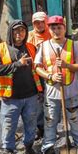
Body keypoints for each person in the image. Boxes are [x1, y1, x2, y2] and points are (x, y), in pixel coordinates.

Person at [34, 15, 78, 154]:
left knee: (75, 120)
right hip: (52, 92)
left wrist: (67, 66)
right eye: (53, 28)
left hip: (72, 92)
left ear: (64, 28)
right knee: (50, 121)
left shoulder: (73, 45)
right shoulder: (43, 46)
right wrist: (50, 75)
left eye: (59, 27)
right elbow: (37, 67)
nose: (56, 30)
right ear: (49, 29)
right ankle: (48, 148)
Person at [0, 20, 42, 154]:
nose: (19, 34)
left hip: (31, 96)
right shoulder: (0, 49)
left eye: (22, 31)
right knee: (8, 126)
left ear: (26, 32)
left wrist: (41, 91)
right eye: (16, 31)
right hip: (11, 98)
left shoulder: (32, 48)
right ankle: (9, 153)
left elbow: (38, 69)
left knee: (31, 124)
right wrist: (18, 64)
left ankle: (29, 148)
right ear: (10, 33)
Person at [27, 11, 51, 139]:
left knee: (51, 102)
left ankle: (51, 127)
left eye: (42, 22)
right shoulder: (29, 36)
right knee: (38, 103)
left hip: (50, 74)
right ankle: (40, 127)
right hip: (34, 75)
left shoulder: (52, 34)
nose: (40, 25)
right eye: (37, 22)